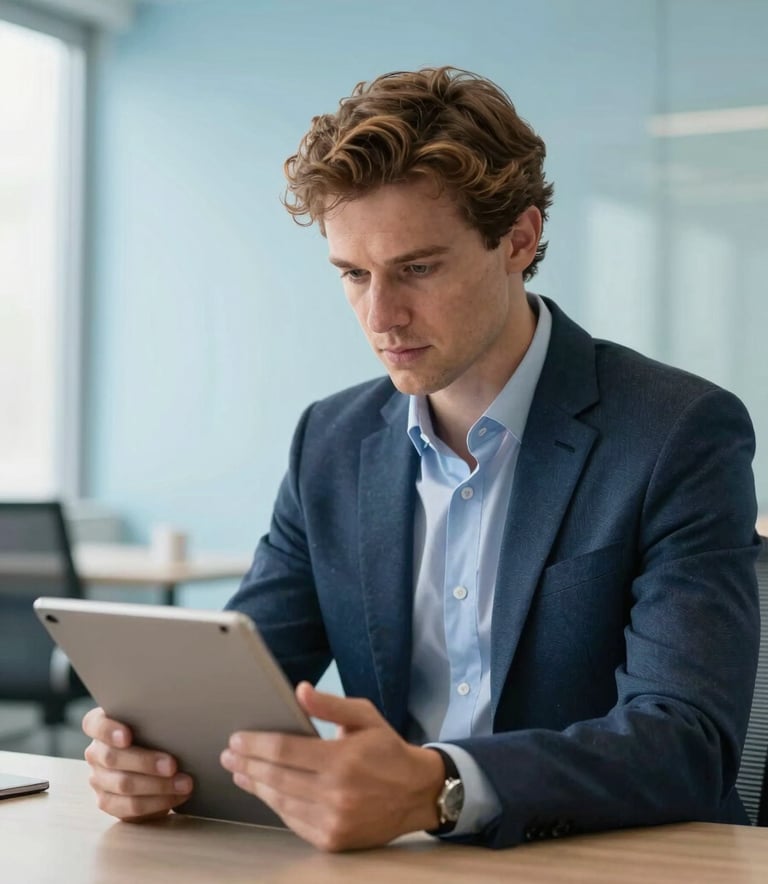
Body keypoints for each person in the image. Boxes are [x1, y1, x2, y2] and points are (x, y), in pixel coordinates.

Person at [82, 66, 760, 852]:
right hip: (397, 864)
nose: (381, 315)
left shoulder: (677, 431)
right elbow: (243, 684)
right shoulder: (330, 444)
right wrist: (152, 754)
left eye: (418, 268)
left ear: (519, 240)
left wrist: (442, 785)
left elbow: (686, 743)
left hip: (619, 863)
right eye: (352, 274)